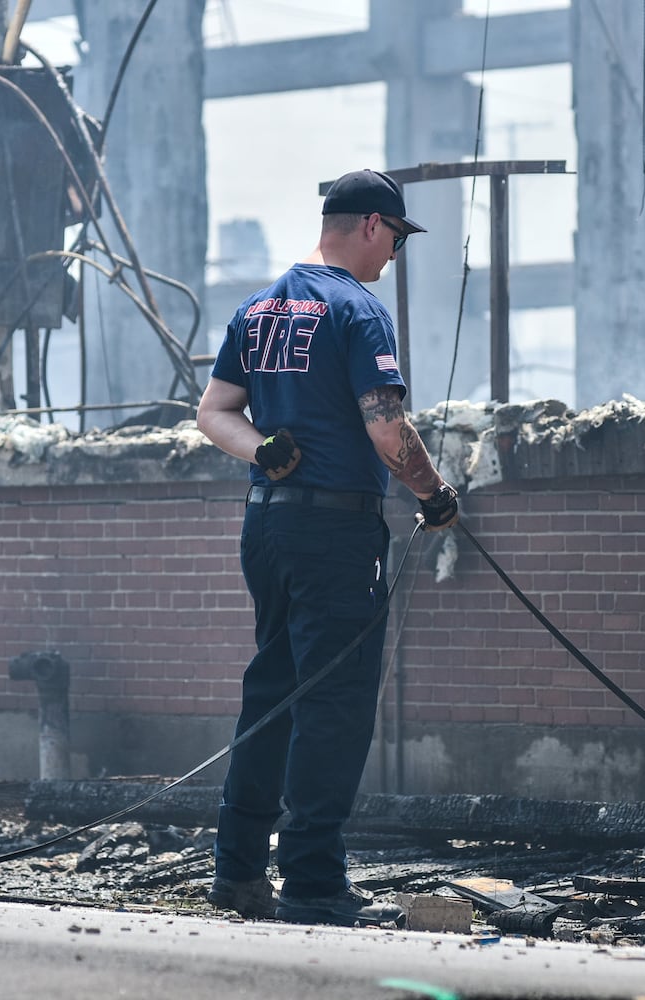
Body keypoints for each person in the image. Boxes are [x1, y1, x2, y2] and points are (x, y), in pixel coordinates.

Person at [195, 168, 460, 928]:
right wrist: (433, 496)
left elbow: (214, 412)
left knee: (271, 693)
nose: (395, 257)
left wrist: (263, 449)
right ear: (372, 225)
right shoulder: (357, 310)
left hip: (267, 528)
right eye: (397, 240)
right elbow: (386, 428)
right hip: (335, 534)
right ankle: (314, 881)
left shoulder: (259, 307)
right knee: (335, 706)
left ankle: (239, 870)